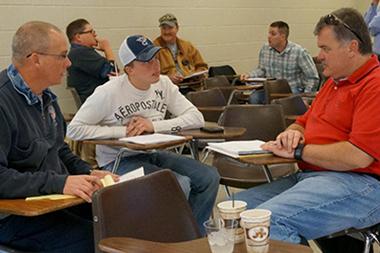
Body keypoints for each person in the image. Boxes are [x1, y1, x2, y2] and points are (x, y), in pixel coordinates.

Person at [236, 7, 380, 246]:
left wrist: (298, 151)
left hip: (362, 184)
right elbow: (303, 122)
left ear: (352, 48)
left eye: (325, 48)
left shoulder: (374, 86)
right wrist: (292, 134)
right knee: (235, 211)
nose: (319, 55)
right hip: (314, 175)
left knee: (264, 224)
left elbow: (358, 157)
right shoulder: (334, 82)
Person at [67, 34, 220, 232]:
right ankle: (173, 236)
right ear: (129, 69)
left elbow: (196, 118)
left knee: (208, 176)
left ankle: (192, 235)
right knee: (176, 184)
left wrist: (154, 126)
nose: (155, 66)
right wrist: (123, 131)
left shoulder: (163, 84)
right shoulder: (109, 92)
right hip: (118, 161)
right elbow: (75, 129)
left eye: (156, 58)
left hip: (154, 153)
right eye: (146, 61)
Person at [0, 21, 117, 252]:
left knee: (120, 217)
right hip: (13, 215)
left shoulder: (46, 98)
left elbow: (59, 150)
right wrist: (60, 182)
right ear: (35, 59)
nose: (69, 63)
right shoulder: (3, 102)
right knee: (96, 240)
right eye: (62, 56)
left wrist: (88, 172)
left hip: (52, 200)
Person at [241, 21, 319, 104]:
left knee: (282, 101)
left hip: (292, 89)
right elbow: (262, 70)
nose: (269, 37)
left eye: (273, 34)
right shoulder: (265, 49)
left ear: (283, 36)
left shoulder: (299, 52)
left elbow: (312, 77)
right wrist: (249, 75)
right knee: (254, 98)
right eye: (269, 33)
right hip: (271, 89)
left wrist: (306, 98)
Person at [66, 18, 117, 103]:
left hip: (100, 99)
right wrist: (107, 48)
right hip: (97, 102)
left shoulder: (81, 52)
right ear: (78, 37)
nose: (95, 35)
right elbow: (113, 73)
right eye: (91, 32)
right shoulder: (80, 53)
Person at [153, 13, 208, 86]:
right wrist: (167, 78)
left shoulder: (187, 46)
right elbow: (150, 75)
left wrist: (197, 75)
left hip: (191, 86)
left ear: (177, 28)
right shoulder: (154, 48)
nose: (167, 32)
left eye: (170, 28)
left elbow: (202, 67)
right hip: (169, 88)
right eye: (164, 28)